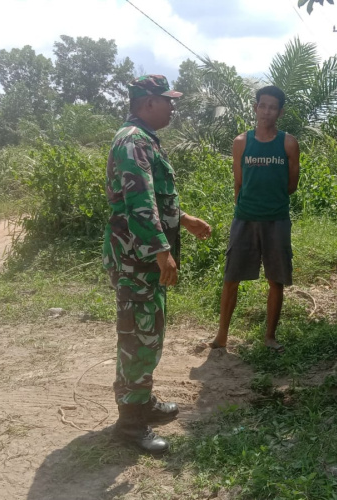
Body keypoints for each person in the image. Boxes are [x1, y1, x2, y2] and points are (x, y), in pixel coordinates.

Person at [103, 74, 211, 454]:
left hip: (141, 257)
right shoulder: (134, 141)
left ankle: (141, 401)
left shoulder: (142, 139)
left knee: (146, 330)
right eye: (168, 100)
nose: (172, 107)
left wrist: (184, 219)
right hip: (137, 258)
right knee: (139, 335)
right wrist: (161, 250)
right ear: (149, 102)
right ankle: (131, 424)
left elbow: (154, 197)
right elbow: (139, 204)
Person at [203, 85, 300, 353]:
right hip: (244, 218)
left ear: (280, 112)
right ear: (256, 107)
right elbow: (239, 182)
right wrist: (246, 207)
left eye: (273, 107)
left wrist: (269, 200)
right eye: (263, 106)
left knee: (276, 280)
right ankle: (221, 336)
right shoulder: (241, 142)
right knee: (231, 277)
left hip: (276, 220)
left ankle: (270, 337)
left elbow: (292, 185)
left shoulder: (289, 143)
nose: (267, 111)